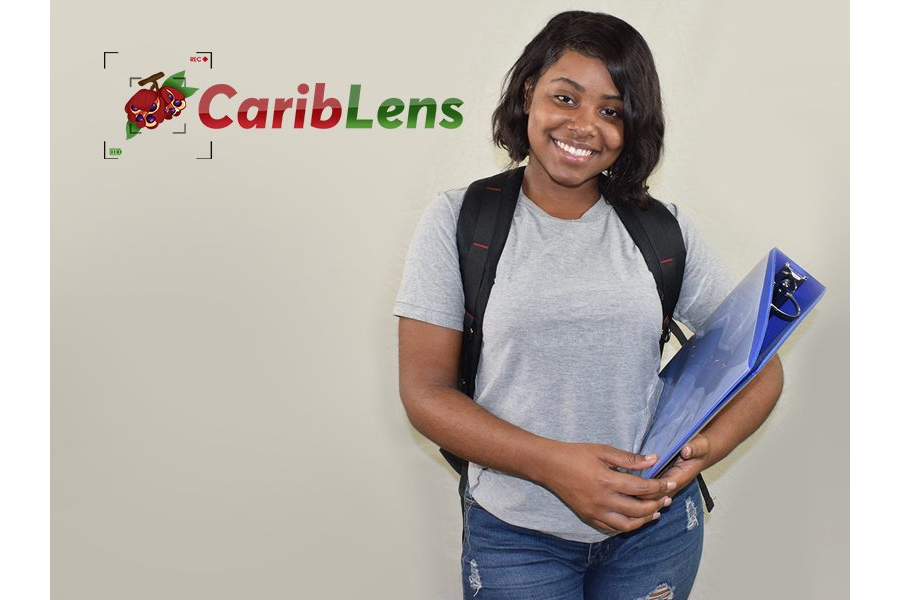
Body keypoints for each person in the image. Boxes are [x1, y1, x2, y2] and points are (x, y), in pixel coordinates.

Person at [394, 10, 783, 600]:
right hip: (516, 536)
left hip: (655, 530)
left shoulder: (663, 229)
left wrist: (702, 452)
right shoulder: (459, 220)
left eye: (611, 111)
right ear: (529, 94)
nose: (584, 126)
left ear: (633, 127)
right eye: (565, 98)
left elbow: (761, 363)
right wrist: (553, 466)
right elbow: (425, 393)